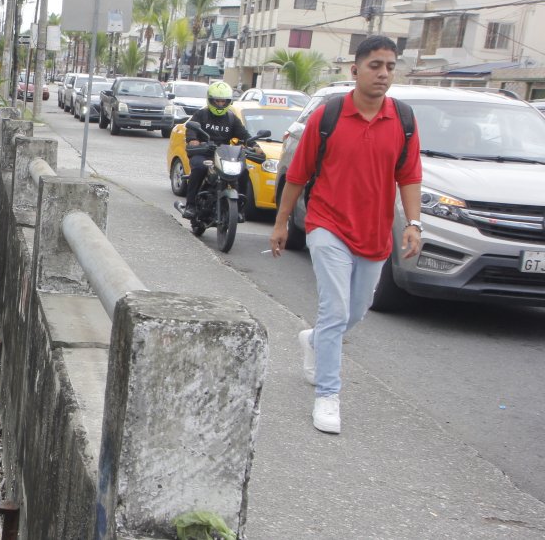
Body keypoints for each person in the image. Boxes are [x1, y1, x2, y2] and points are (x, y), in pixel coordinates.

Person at [268, 35, 423, 435]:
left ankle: (314, 340)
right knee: (335, 309)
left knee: (355, 311)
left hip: (373, 234)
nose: (384, 73)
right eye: (375, 65)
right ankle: (327, 394)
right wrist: (283, 222)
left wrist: (414, 223)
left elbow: (409, 175)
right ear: (355, 70)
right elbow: (298, 174)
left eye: (390, 66)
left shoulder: (403, 120)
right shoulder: (330, 115)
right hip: (327, 225)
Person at [174, 80, 252, 219]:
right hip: (203, 153)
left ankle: (239, 208)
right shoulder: (201, 115)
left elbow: (244, 135)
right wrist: (194, 141)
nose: (220, 104)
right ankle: (191, 205)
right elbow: (191, 131)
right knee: (199, 168)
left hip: (223, 155)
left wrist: (253, 145)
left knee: (243, 171)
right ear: (210, 100)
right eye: (217, 101)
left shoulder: (231, 118)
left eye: (223, 101)